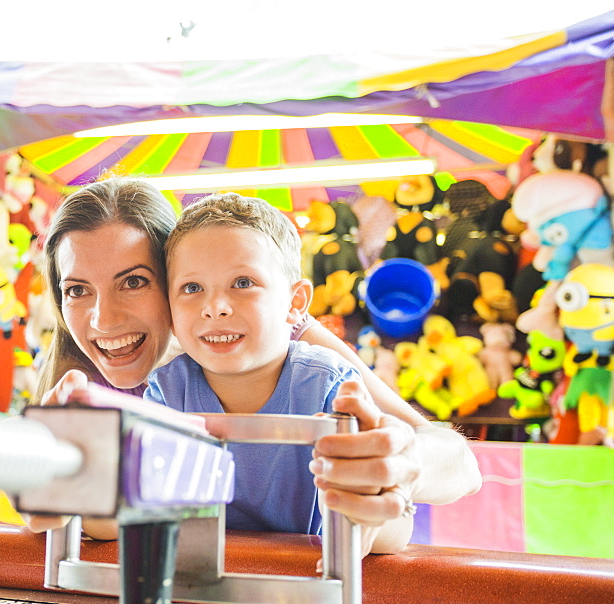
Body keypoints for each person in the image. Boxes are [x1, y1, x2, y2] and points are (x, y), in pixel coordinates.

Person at [31, 176, 481, 544]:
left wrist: (396, 468)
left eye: (133, 282)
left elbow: (456, 465)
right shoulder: (99, 385)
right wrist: (62, 493)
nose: (103, 317)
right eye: (76, 289)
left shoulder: (297, 348)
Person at [144, 192, 411, 552]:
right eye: (192, 288)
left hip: (308, 585)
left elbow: (395, 527)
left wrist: (368, 514)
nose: (215, 308)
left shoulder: (330, 385)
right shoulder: (167, 392)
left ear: (295, 302)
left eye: (242, 283)